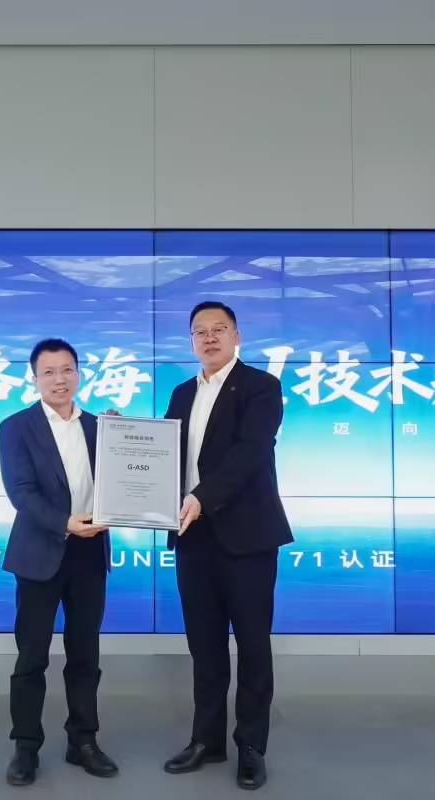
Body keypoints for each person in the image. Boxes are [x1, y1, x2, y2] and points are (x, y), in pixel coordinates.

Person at [161, 301, 293, 791]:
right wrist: (119, 438)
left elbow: (248, 454)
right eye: (200, 331)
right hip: (193, 536)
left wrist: (200, 497)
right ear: (191, 341)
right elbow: (164, 455)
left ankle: (251, 747)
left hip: (248, 537)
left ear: (237, 336)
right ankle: (207, 740)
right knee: (205, 645)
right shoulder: (181, 393)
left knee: (253, 645)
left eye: (220, 329)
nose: (210, 338)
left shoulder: (261, 387)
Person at [0, 338, 119, 786]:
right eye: (49, 372)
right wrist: (64, 523)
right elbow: (21, 492)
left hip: (90, 552)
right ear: (35, 379)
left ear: (79, 374)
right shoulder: (15, 427)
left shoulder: (101, 427)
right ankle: (26, 747)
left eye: (67, 369)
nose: (59, 379)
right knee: (32, 657)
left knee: (85, 654)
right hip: (40, 553)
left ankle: (83, 741)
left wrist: (126, 439)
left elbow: (127, 480)